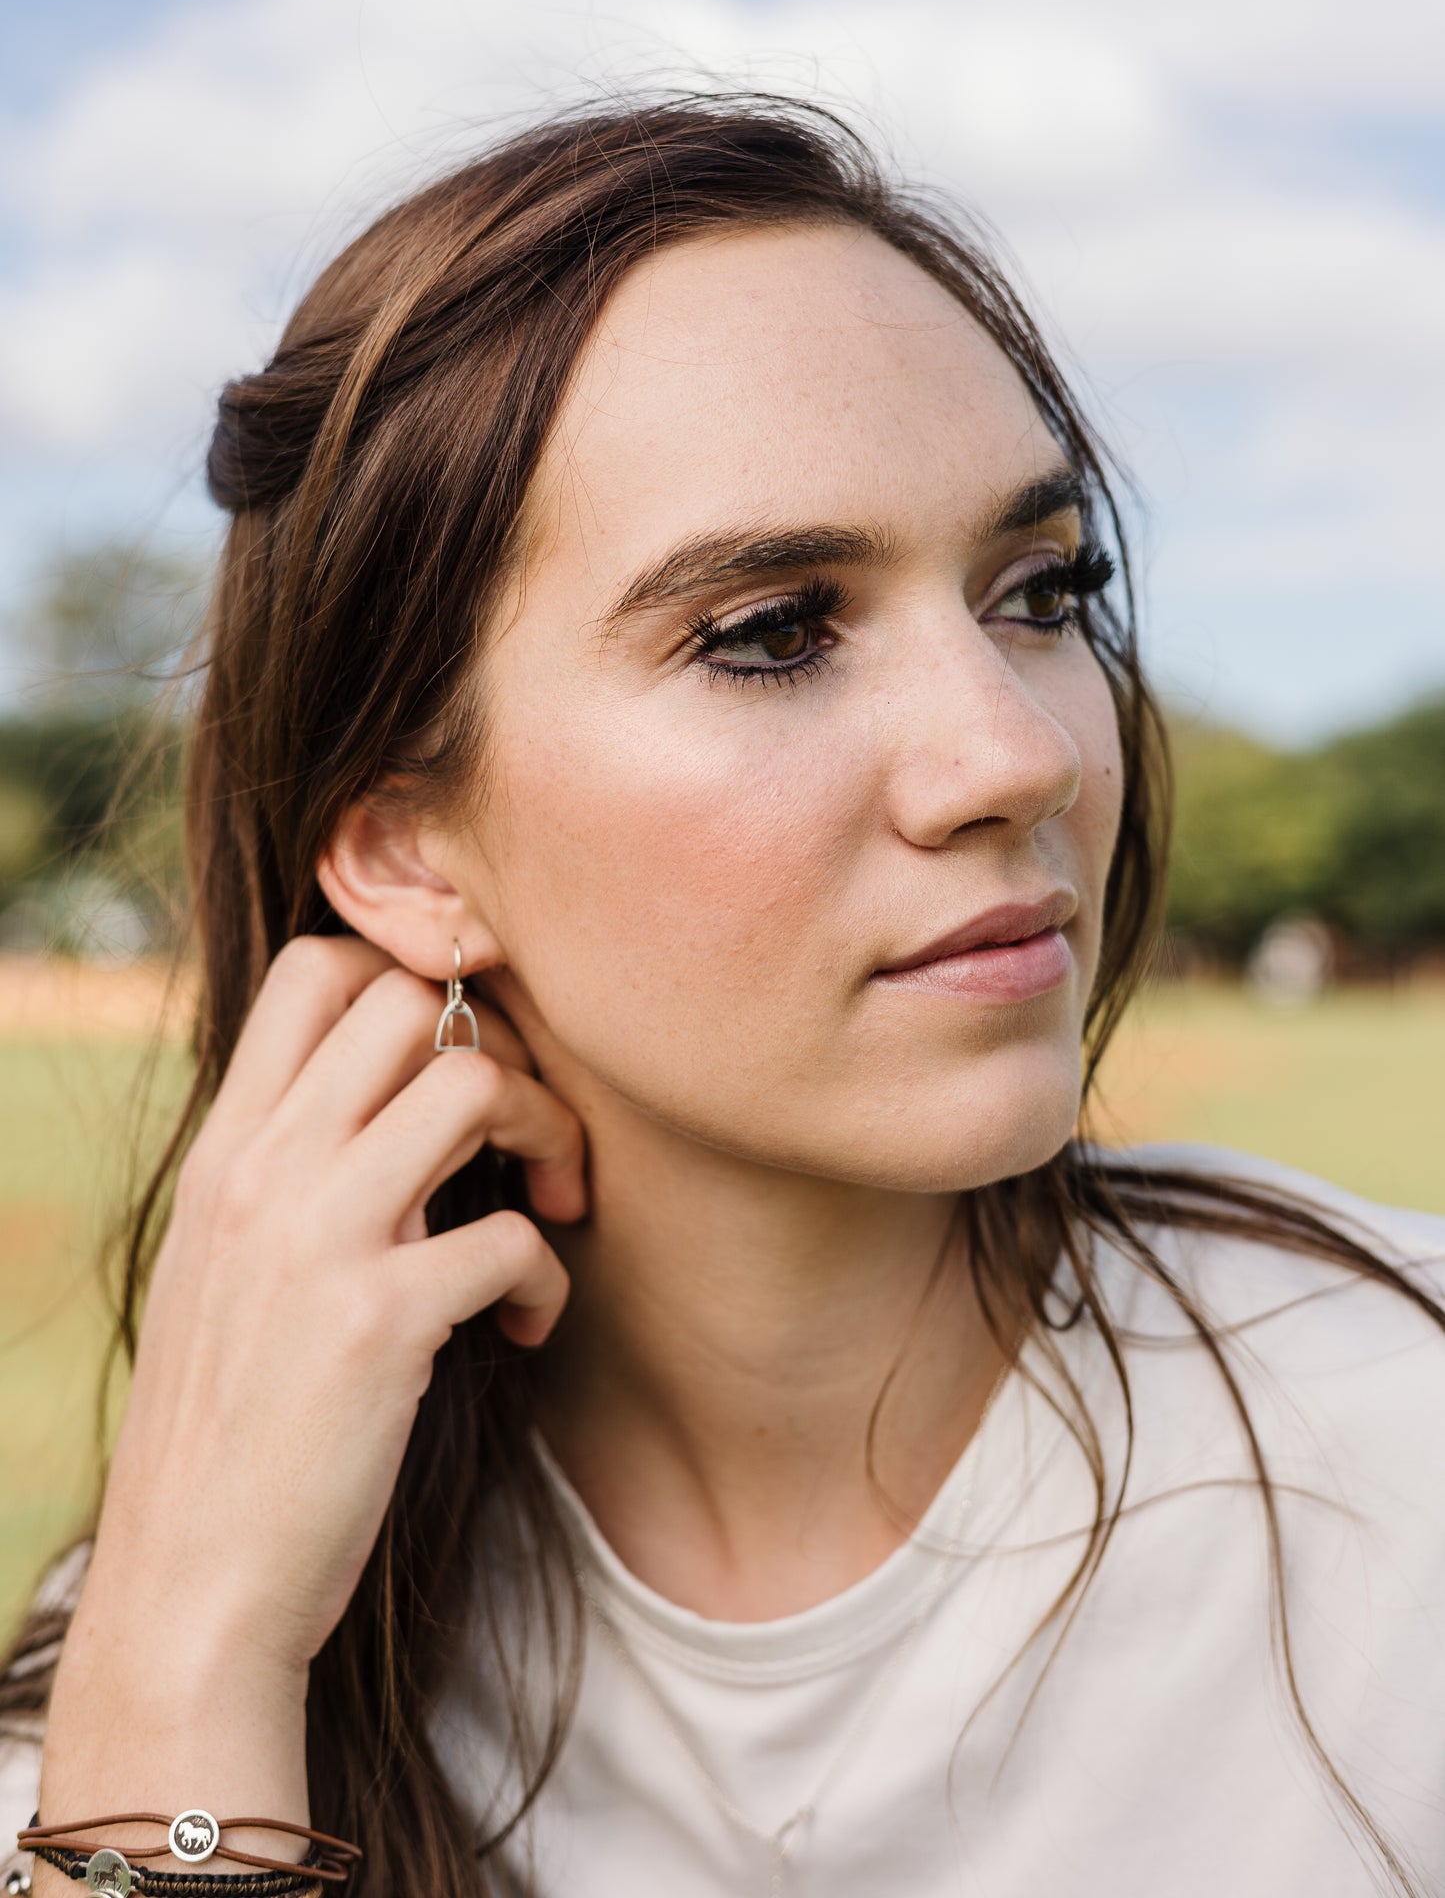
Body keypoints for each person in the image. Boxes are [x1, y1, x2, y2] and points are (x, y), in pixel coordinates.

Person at [3, 97, 1443, 1898]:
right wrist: (192, 1652)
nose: (1018, 754)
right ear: (409, 851)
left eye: (1038, 589)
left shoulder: (1401, 1450)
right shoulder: (162, 1676)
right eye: (770, 631)